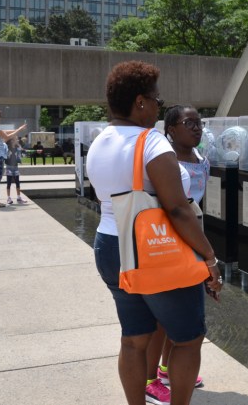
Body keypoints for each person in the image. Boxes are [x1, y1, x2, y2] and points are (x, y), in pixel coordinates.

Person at [85, 60, 222, 405]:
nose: (159, 108)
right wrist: (209, 256)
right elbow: (177, 209)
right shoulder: (152, 143)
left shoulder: (100, 142)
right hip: (152, 251)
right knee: (188, 338)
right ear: (141, 102)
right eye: (158, 102)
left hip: (109, 245)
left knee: (134, 338)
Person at [146, 105, 211, 394]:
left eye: (199, 123)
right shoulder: (164, 159)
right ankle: (150, 380)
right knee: (163, 316)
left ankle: (167, 368)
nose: (197, 128)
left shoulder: (202, 159)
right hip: (165, 241)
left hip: (190, 239)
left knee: (182, 313)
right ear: (171, 129)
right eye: (189, 123)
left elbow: (196, 204)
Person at [0, 109, 27, 208]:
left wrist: (18, 129)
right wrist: (20, 130)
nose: (1, 118)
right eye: (0, 116)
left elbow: (4, 132)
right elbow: (6, 137)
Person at [5, 137, 28, 205]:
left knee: (17, 182)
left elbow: (21, 151)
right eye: (15, 140)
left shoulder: (17, 148)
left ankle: (18, 197)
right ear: (11, 141)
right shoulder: (6, 148)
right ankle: (8, 198)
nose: (16, 141)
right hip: (9, 167)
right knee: (9, 183)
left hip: (15, 167)